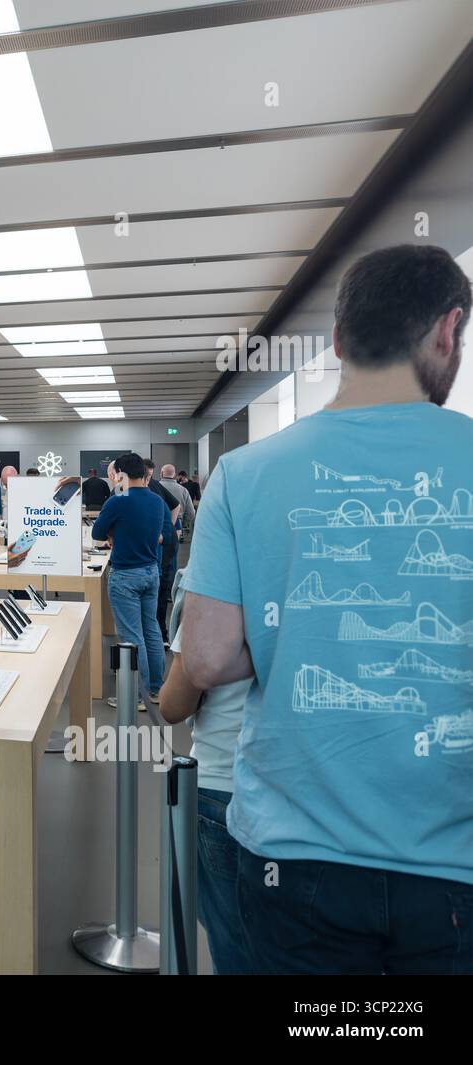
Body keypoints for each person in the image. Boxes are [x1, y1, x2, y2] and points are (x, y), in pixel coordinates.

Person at [182, 244, 472, 974]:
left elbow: (208, 658)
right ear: (448, 330)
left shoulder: (243, 473)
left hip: (293, 852)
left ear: (339, 342)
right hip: (453, 864)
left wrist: (284, 629)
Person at [158, 572, 253, 974]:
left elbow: (174, 703)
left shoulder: (221, 583)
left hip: (222, 784)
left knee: (234, 945)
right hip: (306, 793)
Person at [91, 452, 171, 710]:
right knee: (152, 631)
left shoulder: (119, 500)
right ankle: (156, 689)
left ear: (122, 474)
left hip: (125, 574)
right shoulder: (157, 501)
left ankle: (138, 696)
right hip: (151, 571)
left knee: (131, 636)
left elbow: (97, 533)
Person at [144, 458, 182, 644]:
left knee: (159, 591)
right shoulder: (152, 487)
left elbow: (175, 506)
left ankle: (161, 636)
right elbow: (175, 506)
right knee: (159, 591)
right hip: (163, 545)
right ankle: (161, 636)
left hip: (163, 547)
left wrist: (166, 529)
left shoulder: (151, 488)